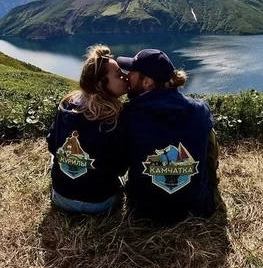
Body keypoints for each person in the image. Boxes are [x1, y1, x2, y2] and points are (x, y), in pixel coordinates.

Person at [117, 49, 219, 224]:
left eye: (132, 73)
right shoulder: (200, 109)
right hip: (196, 208)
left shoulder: (128, 113)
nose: (128, 77)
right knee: (209, 133)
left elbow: (119, 165)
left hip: (143, 210)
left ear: (148, 82)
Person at [46, 45, 129, 214]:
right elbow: (120, 168)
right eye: (119, 74)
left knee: (55, 160)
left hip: (61, 197)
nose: (125, 77)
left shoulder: (66, 106)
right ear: (101, 84)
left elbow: (51, 145)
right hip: (100, 203)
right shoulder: (115, 117)